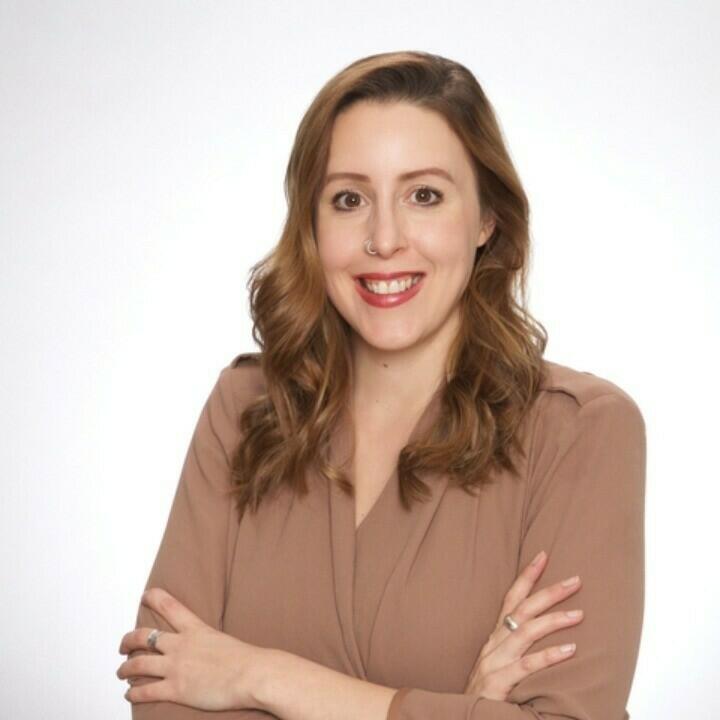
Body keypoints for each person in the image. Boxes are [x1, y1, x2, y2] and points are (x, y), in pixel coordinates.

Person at [115, 50, 646, 719]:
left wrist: (262, 676)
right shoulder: (244, 408)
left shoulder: (579, 431)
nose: (384, 239)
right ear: (311, 224)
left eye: (424, 195)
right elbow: (161, 694)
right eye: (349, 199)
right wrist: (462, 708)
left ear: (486, 219)